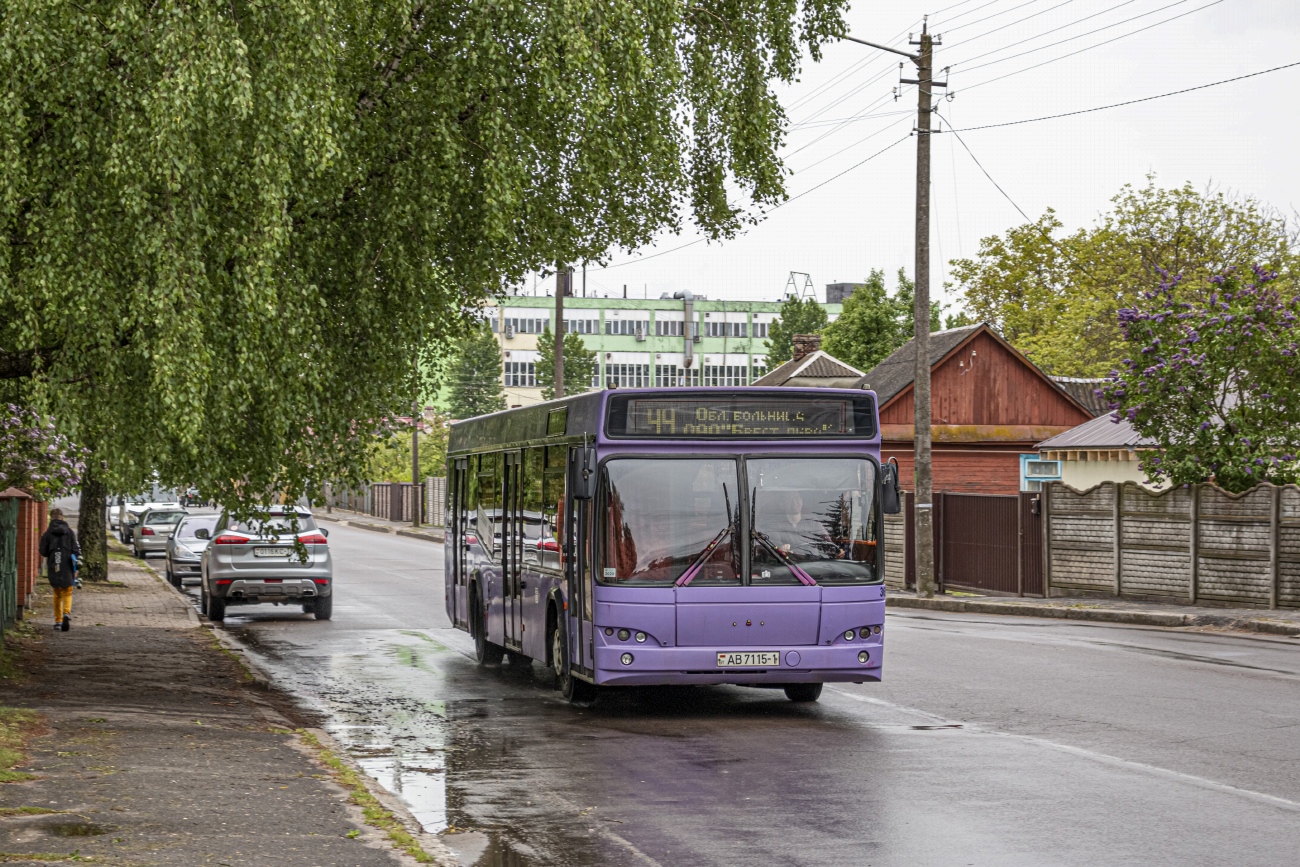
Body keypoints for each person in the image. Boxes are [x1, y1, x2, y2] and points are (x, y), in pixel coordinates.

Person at [39, 508, 80, 632]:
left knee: (57, 593)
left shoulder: (47, 533)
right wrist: (77, 567)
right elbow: (76, 550)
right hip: (67, 565)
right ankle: (66, 613)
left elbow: (43, 551)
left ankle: (58, 621)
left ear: (51, 518)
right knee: (67, 591)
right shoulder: (69, 532)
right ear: (62, 517)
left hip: (54, 564)